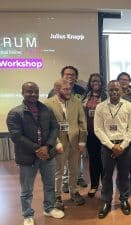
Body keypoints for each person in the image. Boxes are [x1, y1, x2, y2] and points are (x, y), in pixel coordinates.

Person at [6, 82, 64, 225]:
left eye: (36, 92)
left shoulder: (46, 109)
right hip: (27, 157)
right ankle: (27, 215)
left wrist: (48, 146)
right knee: (27, 189)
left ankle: (49, 208)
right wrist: (37, 149)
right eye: (29, 91)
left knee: (49, 185)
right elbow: (16, 136)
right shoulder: (15, 113)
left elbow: (54, 128)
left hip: (48, 155)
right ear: (22, 93)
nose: (33, 94)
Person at [94, 80, 131, 219]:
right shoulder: (100, 107)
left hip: (124, 146)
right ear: (107, 91)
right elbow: (98, 129)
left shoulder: (129, 106)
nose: (114, 92)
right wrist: (112, 146)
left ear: (122, 91)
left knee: (124, 174)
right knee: (106, 175)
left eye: (117, 90)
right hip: (107, 146)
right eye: (111, 89)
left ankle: (124, 200)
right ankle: (106, 201)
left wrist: (122, 145)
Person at [44, 79, 87, 210]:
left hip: (75, 142)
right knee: (58, 171)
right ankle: (57, 196)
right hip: (59, 143)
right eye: (65, 89)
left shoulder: (76, 101)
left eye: (70, 89)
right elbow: (47, 126)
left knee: (74, 169)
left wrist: (82, 140)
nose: (69, 92)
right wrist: (55, 143)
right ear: (57, 90)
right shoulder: (48, 104)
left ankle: (73, 191)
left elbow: (82, 122)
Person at [82, 73, 107, 197]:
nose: (95, 82)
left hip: (103, 133)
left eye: (97, 80)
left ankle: (105, 185)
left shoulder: (106, 96)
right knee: (93, 160)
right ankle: (94, 185)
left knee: (104, 160)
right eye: (92, 81)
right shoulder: (85, 97)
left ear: (102, 83)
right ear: (89, 83)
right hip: (90, 133)